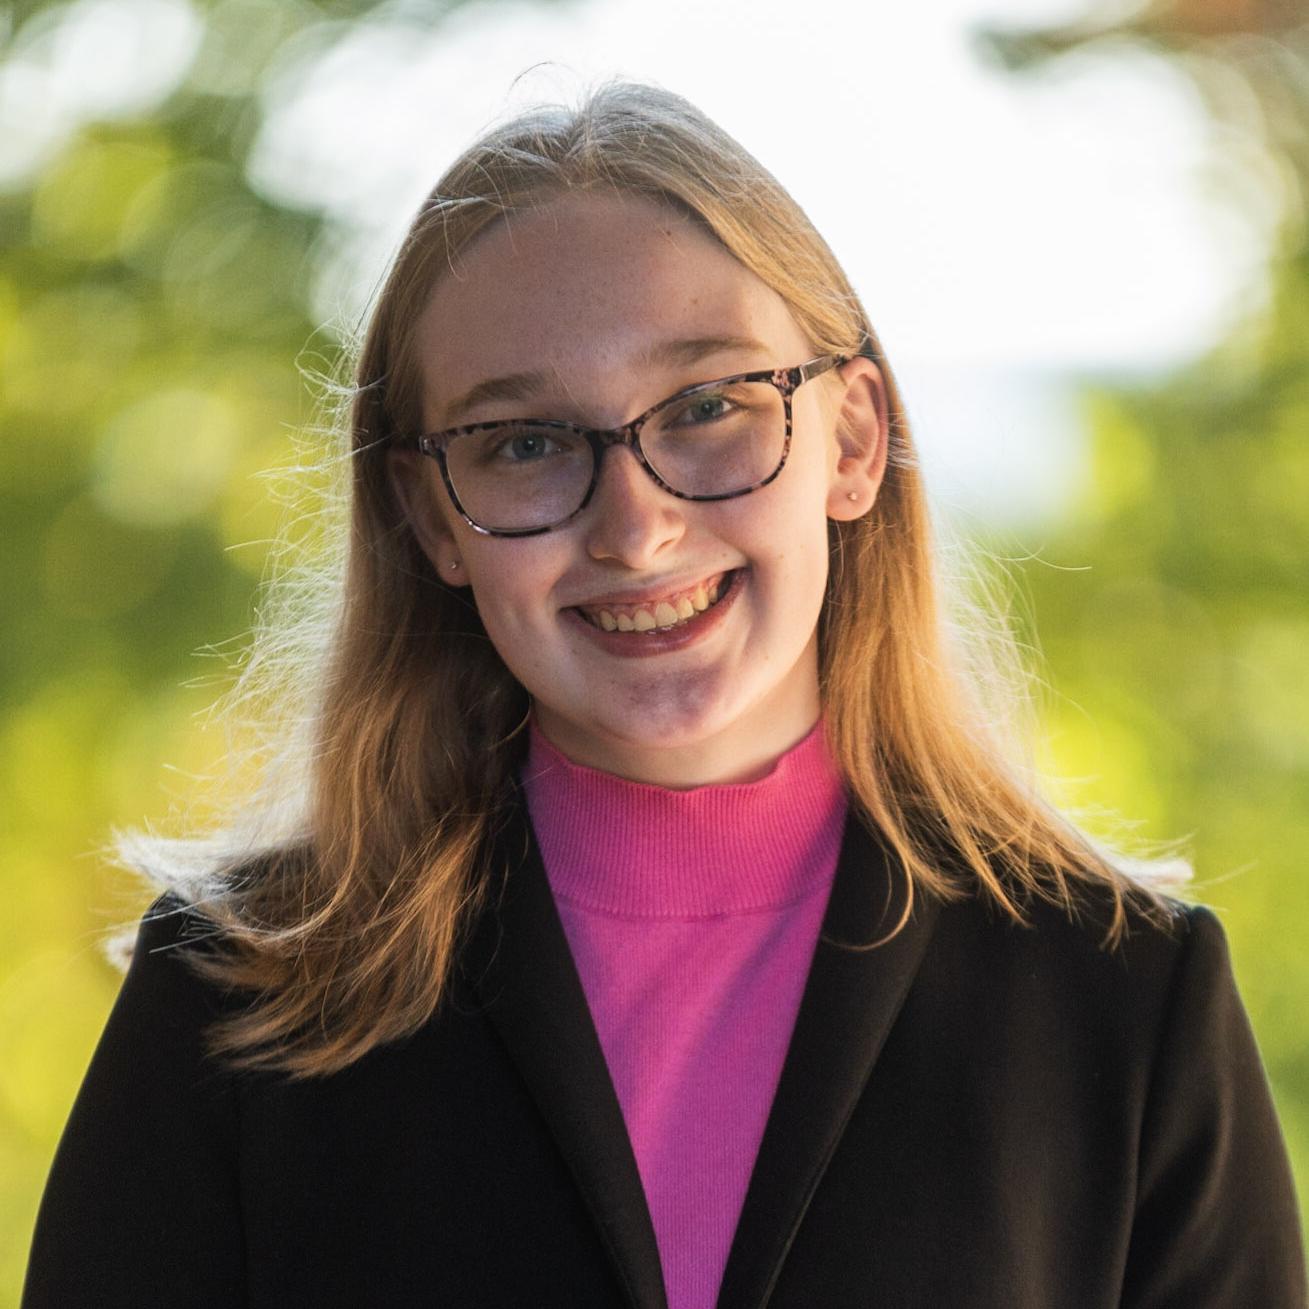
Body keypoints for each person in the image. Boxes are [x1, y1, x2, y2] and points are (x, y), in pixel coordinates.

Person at [23, 82, 1306, 1308]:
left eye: (706, 406)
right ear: (431, 516)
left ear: (851, 441)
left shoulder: (1125, 997)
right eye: (523, 442)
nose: (633, 530)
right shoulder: (235, 993)